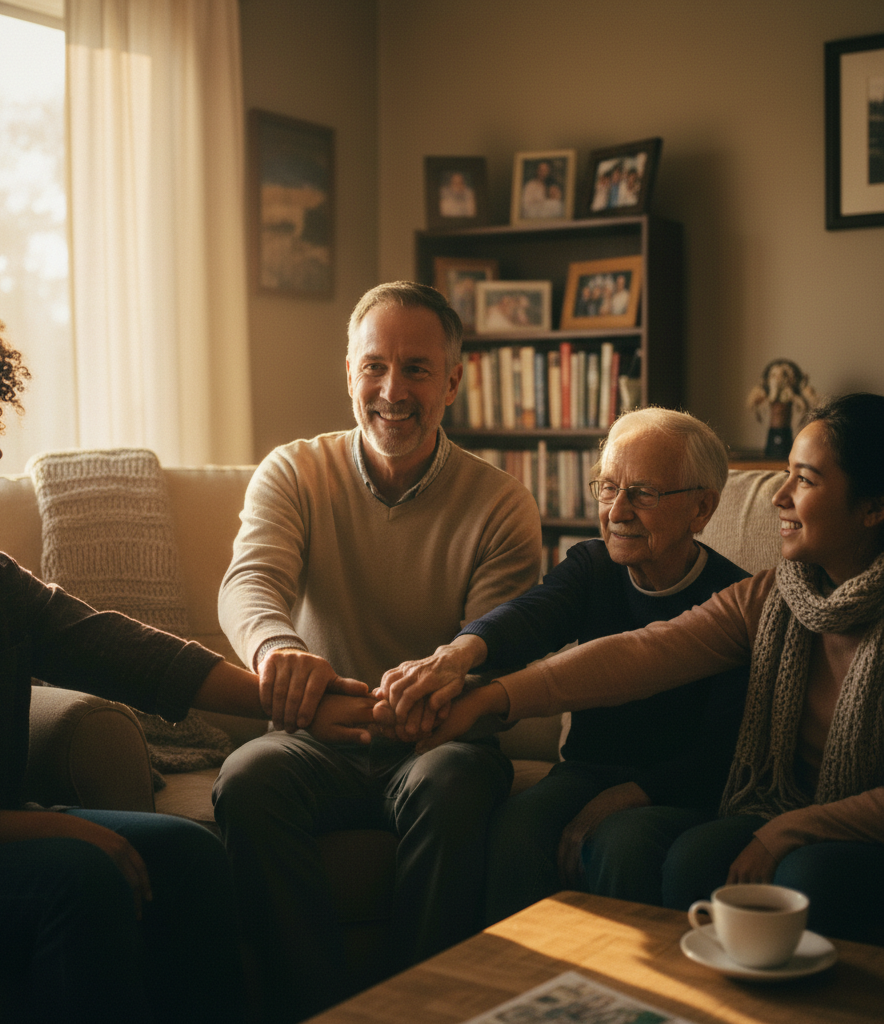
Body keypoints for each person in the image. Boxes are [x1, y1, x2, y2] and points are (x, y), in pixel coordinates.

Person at [0, 293, 337, 1023]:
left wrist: (299, 699)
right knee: (82, 876)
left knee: (192, 855)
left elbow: (130, 655)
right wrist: (52, 826)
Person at [420, 393, 884, 945]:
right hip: (774, 805)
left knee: (791, 871)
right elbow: (640, 653)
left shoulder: (743, 588)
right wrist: (485, 694)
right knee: (689, 858)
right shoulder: (772, 599)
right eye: (609, 487)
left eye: (803, 480)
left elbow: (716, 752)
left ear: (872, 506)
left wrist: (790, 829)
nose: (778, 496)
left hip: (817, 816)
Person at [214, 281, 542, 1022]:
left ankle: (415, 1013)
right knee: (248, 778)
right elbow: (249, 583)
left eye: (416, 369)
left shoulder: (501, 504)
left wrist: (437, 696)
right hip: (317, 734)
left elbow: (492, 648)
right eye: (374, 366)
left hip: (441, 740)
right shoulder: (293, 471)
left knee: (450, 786)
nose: (392, 391)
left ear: (452, 381)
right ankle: (316, 1011)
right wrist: (276, 651)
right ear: (350, 373)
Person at [378, 407, 750, 922]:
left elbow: (724, 752)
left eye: (643, 493)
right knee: (517, 827)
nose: (617, 511)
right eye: (608, 488)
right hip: (587, 770)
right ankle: (519, 968)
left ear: (701, 508)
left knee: (620, 842)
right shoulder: (593, 566)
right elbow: (531, 615)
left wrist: (629, 795)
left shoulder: (735, 601)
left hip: (680, 788)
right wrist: (457, 656)